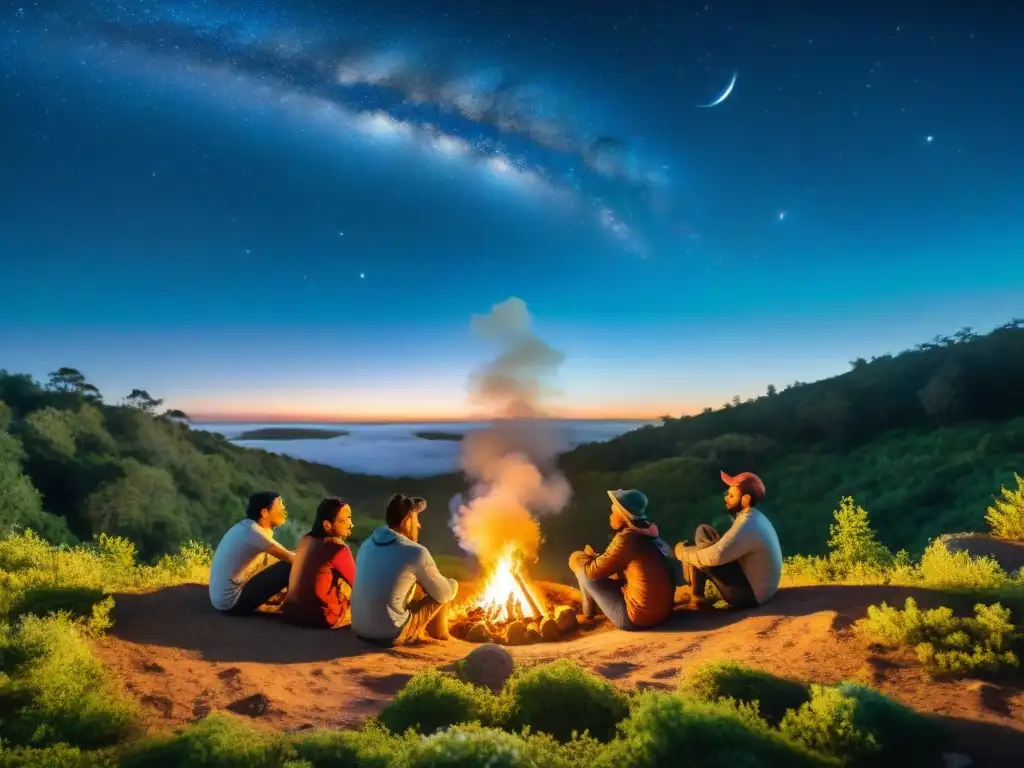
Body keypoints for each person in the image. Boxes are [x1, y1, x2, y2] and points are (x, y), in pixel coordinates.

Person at [350, 493, 458, 646]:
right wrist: (447, 584)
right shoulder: (416, 552)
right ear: (407, 520)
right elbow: (443, 593)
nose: (419, 525)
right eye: (416, 519)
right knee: (449, 587)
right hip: (388, 634)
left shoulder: (366, 544)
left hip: (358, 627)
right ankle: (440, 635)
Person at [567, 489, 676, 630]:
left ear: (623, 514)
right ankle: (589, 614)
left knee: (583, 573)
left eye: (613, 512)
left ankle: (588, 617)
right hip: (663, 614)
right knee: (592, 568)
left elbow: (592, 572)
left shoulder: (626, 538)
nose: (611, 516)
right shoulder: (647, 534)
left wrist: (577, 557)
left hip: (638, 618)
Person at [674, 471, 782, 609]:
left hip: (749, 596)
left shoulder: (747, 525)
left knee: (700, 553)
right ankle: (697, 596)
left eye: (731, 496)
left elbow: (715, 556)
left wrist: (681, 552)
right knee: (703, 532)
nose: (726, 498)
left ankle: (696, 597)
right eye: (727, 494)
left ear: (746, 499)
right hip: (761, 588)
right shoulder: (754, 516)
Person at [209, 491, 295, 615]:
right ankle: (299, 604)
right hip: (231, 602)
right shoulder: (254, 533)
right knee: (290, 565)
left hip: (222, 599)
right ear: (264, 513)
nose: (283, 510)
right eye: (279, 506)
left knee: (292, 558)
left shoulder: (248, 527)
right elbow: (291, 558)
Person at [282, 497, 357, 629]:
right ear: (327, 525)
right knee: (345, 585)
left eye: (350, 518)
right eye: (344, 520)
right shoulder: (338, 548)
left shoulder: (306, 539)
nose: (351, 525)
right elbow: (358, 584)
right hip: (320, 618)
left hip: (291, 613)